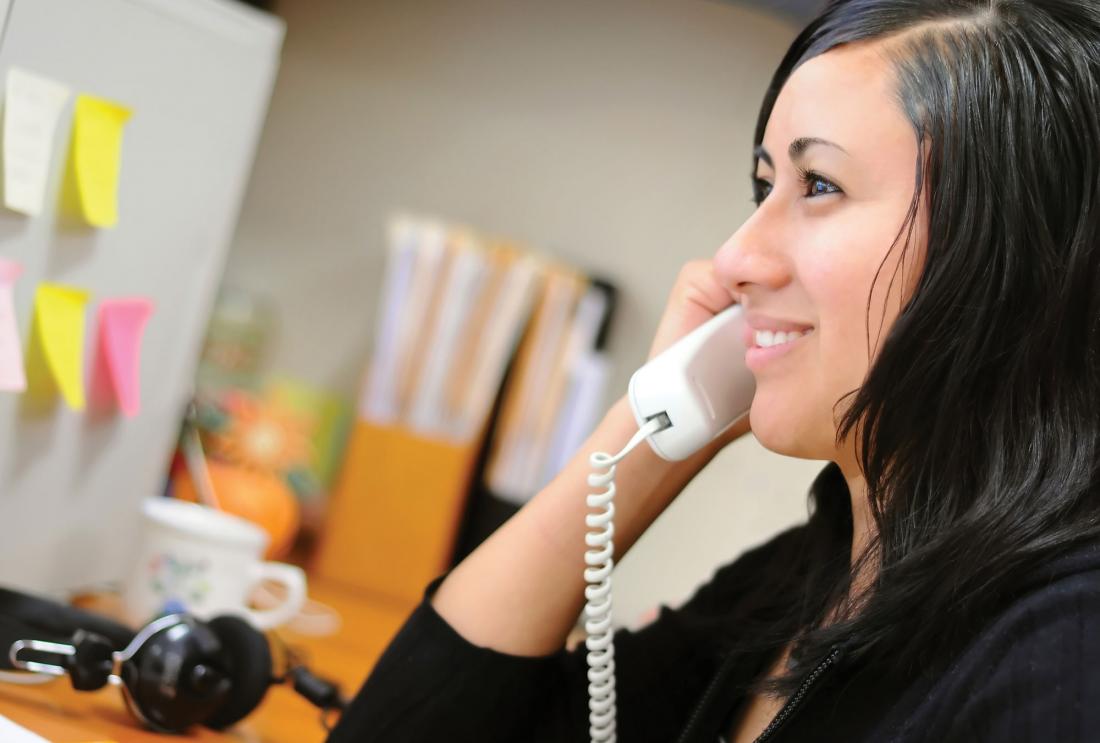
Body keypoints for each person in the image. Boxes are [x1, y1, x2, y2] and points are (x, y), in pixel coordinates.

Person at [327, 0, 1100, 740]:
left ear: (1013, 263)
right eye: (765, 186)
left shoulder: (1065, 654)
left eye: (819, 185)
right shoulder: (806, 579)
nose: (733, 258)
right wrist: (653, 429)